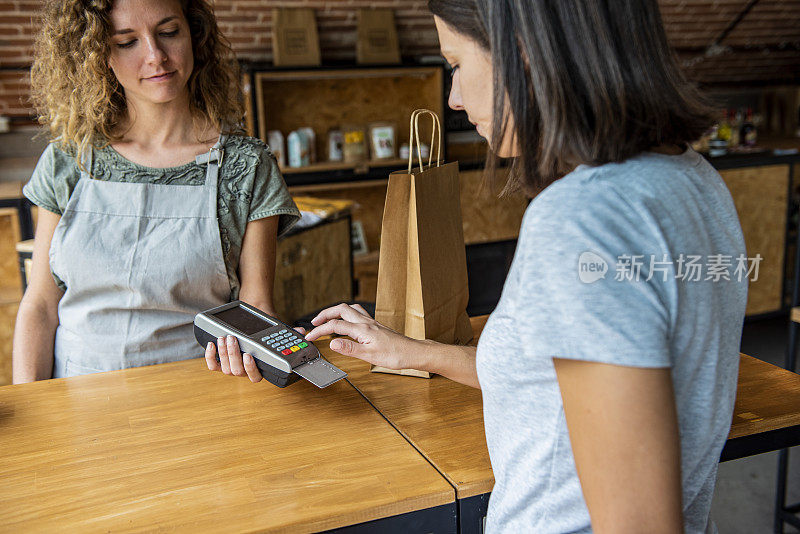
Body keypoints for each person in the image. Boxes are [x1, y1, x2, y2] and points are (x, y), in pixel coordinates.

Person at [300, 1, 747, 533]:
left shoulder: (585, 219)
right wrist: (410, 351)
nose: (455, 98)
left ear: (525, 52)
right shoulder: (693, 181)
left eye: (457, 64)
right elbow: (553, 380)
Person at [13, 0, 299, 383]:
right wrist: (29, 408)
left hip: (195, 394)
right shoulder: (69, 159)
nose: (156, 56)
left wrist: (266, 350)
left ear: (194, 36)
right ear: (99, 56)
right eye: (127, 41)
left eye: (168, 33)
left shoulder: (245, 166)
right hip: (76, 397)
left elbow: (256, 305)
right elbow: (41, 305)